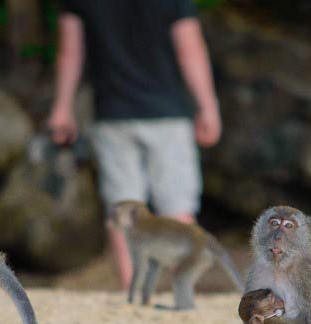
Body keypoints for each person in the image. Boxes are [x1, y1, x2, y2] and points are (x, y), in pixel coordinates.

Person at [46, 0, 222, 289]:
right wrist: (208, 105)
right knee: (178, 207)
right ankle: (181, 287)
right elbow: (190, 51)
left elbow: (70, 54)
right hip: (168, 115)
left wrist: (62, 107)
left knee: (123, 208)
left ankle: (132, 288)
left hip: (113, 114)